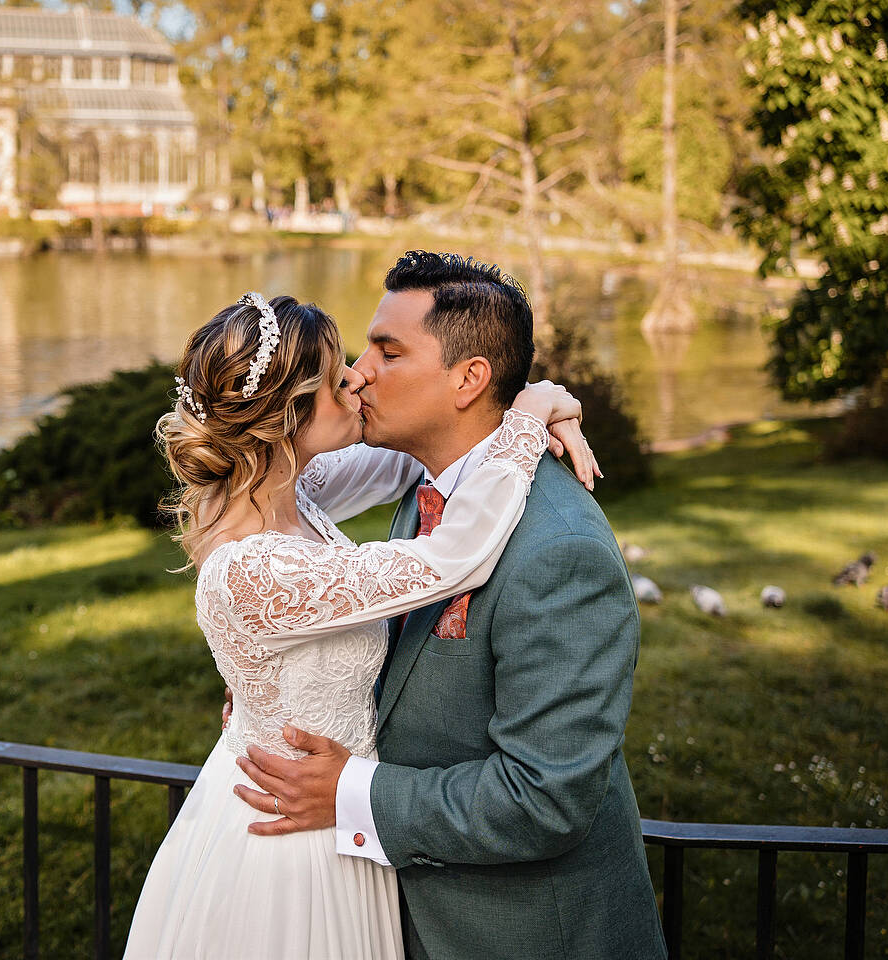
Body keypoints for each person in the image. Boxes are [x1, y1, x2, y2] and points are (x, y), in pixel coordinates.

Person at [124, 279, 590, 959]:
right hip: (289, 840)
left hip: (330, 813)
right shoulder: (254, 568)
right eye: (335, 373)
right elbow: (454, 556)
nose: (356, 378)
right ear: (288, 416)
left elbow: (410, 449)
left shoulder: (284, 489)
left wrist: (528, 399)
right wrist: (533, 412)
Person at [232, 252, 666, 959]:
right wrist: (277, 691)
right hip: (399, 916)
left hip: (521, 936)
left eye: (388, 350)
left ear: (468, 379)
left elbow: (543, 797)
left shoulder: (561, 552)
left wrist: (352, 793)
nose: (356, 371)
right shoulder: (427, 484)